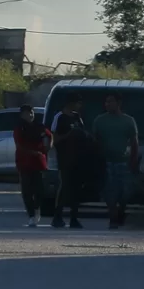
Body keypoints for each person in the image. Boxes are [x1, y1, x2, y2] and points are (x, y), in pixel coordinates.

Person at [93, 92, 139, 229]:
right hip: (106, 162)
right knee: (109, 191)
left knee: (124, 192)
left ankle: (121, 211)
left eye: (111, 102)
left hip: (123, 162)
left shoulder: (128, 121)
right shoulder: (99, 120)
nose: (107, 104)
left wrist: (133, 160)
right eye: (106, 102)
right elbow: (95, 141)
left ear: (119, 103)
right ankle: (113, 217)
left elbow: (134, 142)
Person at [50, 92, 88, 229]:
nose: (79, 106)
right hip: (65, 158)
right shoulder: (59, 117)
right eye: (78, 103)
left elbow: (83, 133)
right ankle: (57, 217)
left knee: (76, 189)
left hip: (78, 158)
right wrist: (68, 135)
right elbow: (54, 139)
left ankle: (74, 218)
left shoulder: (77, 117)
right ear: (71, 103)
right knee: (65, 187)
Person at [14, 104, 51, 227]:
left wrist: (48, 146)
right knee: (27, 191)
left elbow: (49, 136)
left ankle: (37, 208)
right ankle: (31, 215)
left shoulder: (39, 126)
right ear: (21, 115)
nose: (30, 115)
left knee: (40, 190)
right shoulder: (19, 128)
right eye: (27, 113)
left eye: (31, 113)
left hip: (39, 163)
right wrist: (33, 152)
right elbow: (20, 145)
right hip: (24, 163)